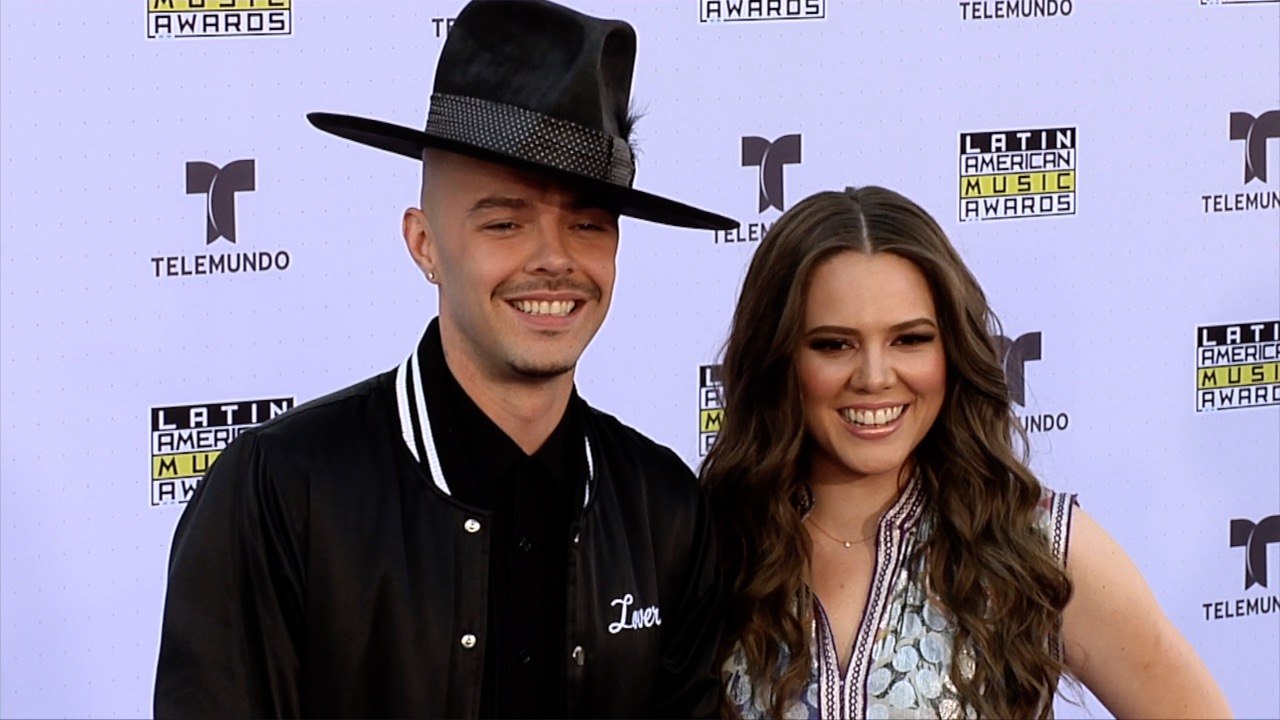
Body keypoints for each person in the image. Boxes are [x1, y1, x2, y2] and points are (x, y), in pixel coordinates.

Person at [153, 1, 733, 717]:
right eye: (504, 221)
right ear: (424, 244)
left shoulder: (663, 508)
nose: (554, 259)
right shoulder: (281, 491)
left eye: (587, 224)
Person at [702, 187, 1232, 719]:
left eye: (910, 340)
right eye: (833, 344)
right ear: (778, 358)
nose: (874, 377)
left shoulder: (1034, 546)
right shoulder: (706, 545)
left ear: (952, 350)